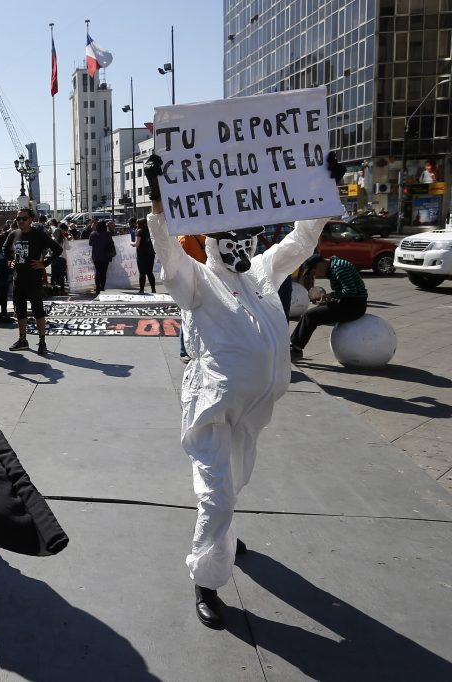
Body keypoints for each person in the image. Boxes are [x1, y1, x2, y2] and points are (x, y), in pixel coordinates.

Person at [143, 151, 341, 630]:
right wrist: (159, 200)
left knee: (235, 482)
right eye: (229, 236)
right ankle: (207, 582)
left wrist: (321, 190)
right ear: (214, 241)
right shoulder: (198, 281)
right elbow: (168, 253)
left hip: (253, 410)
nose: (239, 243)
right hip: (212, 407)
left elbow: (300, 241)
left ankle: (223, 533)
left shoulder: (262, 274)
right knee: (216, 495)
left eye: (244, 236)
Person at [3, 207, 62, 354]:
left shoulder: (38, 234)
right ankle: (22, 340)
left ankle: (42, 342)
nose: (21, 221)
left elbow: (57, 249)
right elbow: (5, 249)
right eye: (18, 218)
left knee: (38, 312)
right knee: (20, 312)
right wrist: (10, 261)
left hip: (34, 280)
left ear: (31, 220)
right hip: (18, 280)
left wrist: (44, 263)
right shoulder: (13, 234)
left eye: (24, 218)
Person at [290, 254, 368, 359]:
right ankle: (294, 344)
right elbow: (345, 291)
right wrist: (328, 300)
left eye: (314, 271)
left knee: (311, 316)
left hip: (354, 307)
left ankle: (296, 349)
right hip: (349, 303)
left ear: (319, 265)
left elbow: (351, 291)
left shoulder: (339, 268)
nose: (316, 275)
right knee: (311, 314)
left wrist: (330, 296)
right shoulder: (334, 266)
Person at [177, 234, 208, 363]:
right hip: (200, 279)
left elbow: (177, 261)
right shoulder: (201, 236)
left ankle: (186, 350)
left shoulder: (185, 237)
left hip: (193, 280)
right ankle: (185, 350)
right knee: (189, 315)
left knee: (189, 315)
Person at [88, 220, 117, 294]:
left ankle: (97, 287)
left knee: (98, 272)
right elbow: (111, 243)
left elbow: (90, 244)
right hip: (106, 255)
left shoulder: (93, 234)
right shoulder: (108, 234)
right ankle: (102, 287)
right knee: (104, 272)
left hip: (96, 256)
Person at [132, 218, 157, 294]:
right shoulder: (151, 230)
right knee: (150, 272)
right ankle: (153, 289)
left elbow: (137, 244)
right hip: (151, 253)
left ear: (139, 224)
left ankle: (141, 290)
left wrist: (131, 243)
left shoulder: (139, 231)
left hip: (142, 254)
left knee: (142, 272)